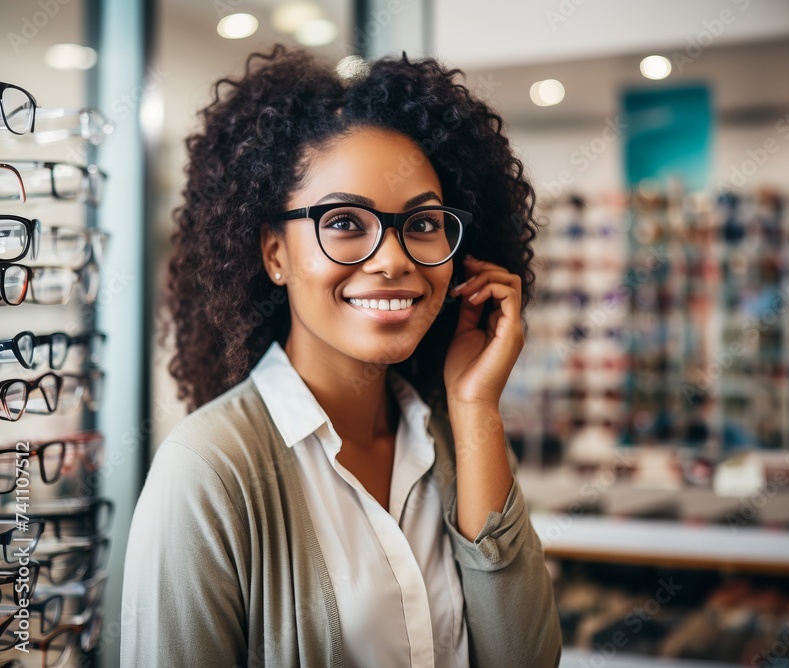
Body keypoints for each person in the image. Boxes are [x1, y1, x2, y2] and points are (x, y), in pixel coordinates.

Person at [121, 45, 562, 667]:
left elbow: (526, 661)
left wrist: (474, 406)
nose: (394, 259)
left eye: (424, 223)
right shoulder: (209, 472)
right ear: (275, 254)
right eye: (346, 222)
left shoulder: (454, 434)